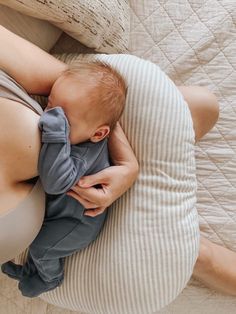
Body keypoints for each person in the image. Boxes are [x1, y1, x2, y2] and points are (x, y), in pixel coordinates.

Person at [0, 26, 235, 297]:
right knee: (174, 254)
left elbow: (70, 82)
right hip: (50, 218)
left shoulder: (79, 124)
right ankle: (188, 250)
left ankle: (182, 243)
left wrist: (125, 160)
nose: (53, 117)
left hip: (90, 168)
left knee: (199, 103)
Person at [1, 61, 127, 297]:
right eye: (50, 105)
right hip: (59, 213)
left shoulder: (82, 155)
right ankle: (29, 271)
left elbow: (55, 182)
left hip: (73, 225)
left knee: (41, 249)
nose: (50, 118)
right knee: (36, 247)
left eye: (63, 120)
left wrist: (56, 134)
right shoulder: (80, 132)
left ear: (98, 133)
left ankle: (50, 278)